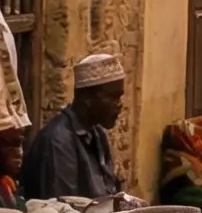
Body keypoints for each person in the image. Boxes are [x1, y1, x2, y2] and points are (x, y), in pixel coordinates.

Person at [20, 51, 124, 200]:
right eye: (112, 97)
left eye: (120, 96)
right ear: (87, 98)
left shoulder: (97, 134)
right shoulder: (58, 142)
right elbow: (65, 211)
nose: (119, 104)